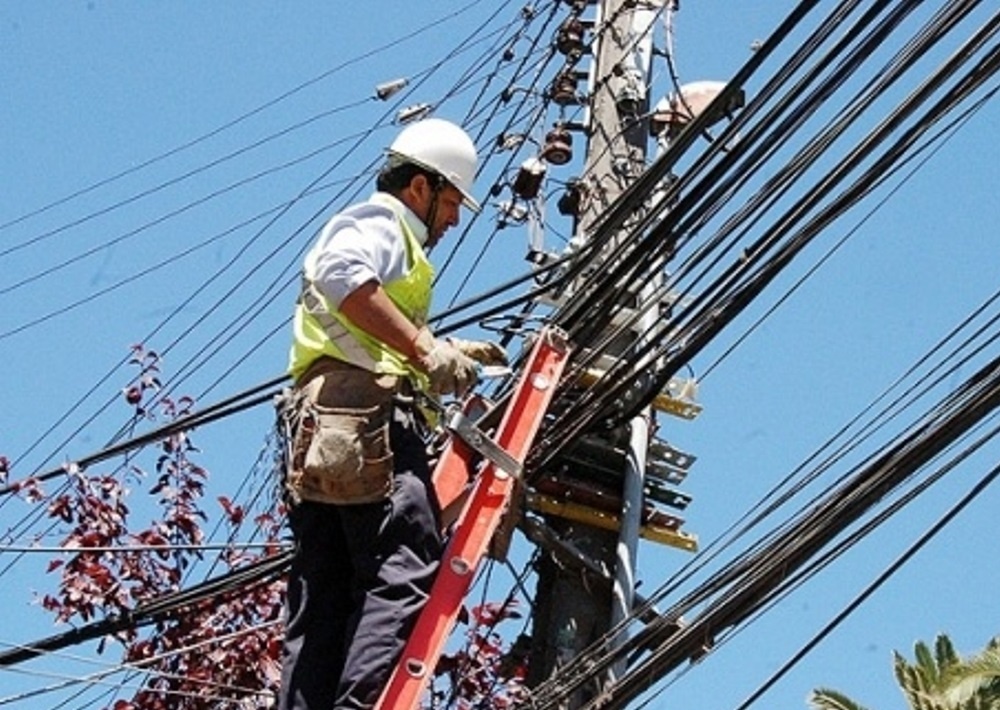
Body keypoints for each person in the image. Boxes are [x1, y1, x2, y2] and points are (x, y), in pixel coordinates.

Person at [278, 117, 507, 710]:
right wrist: (425, 349)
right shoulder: (384, 222)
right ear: (421, 188)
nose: (454, 220)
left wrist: (442, 346)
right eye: (453, 201)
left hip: (323, 429)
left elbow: (363, 321)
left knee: (323, 591)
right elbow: (341, 275)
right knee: (404, 560)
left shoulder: (396, 242)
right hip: (365, 422)